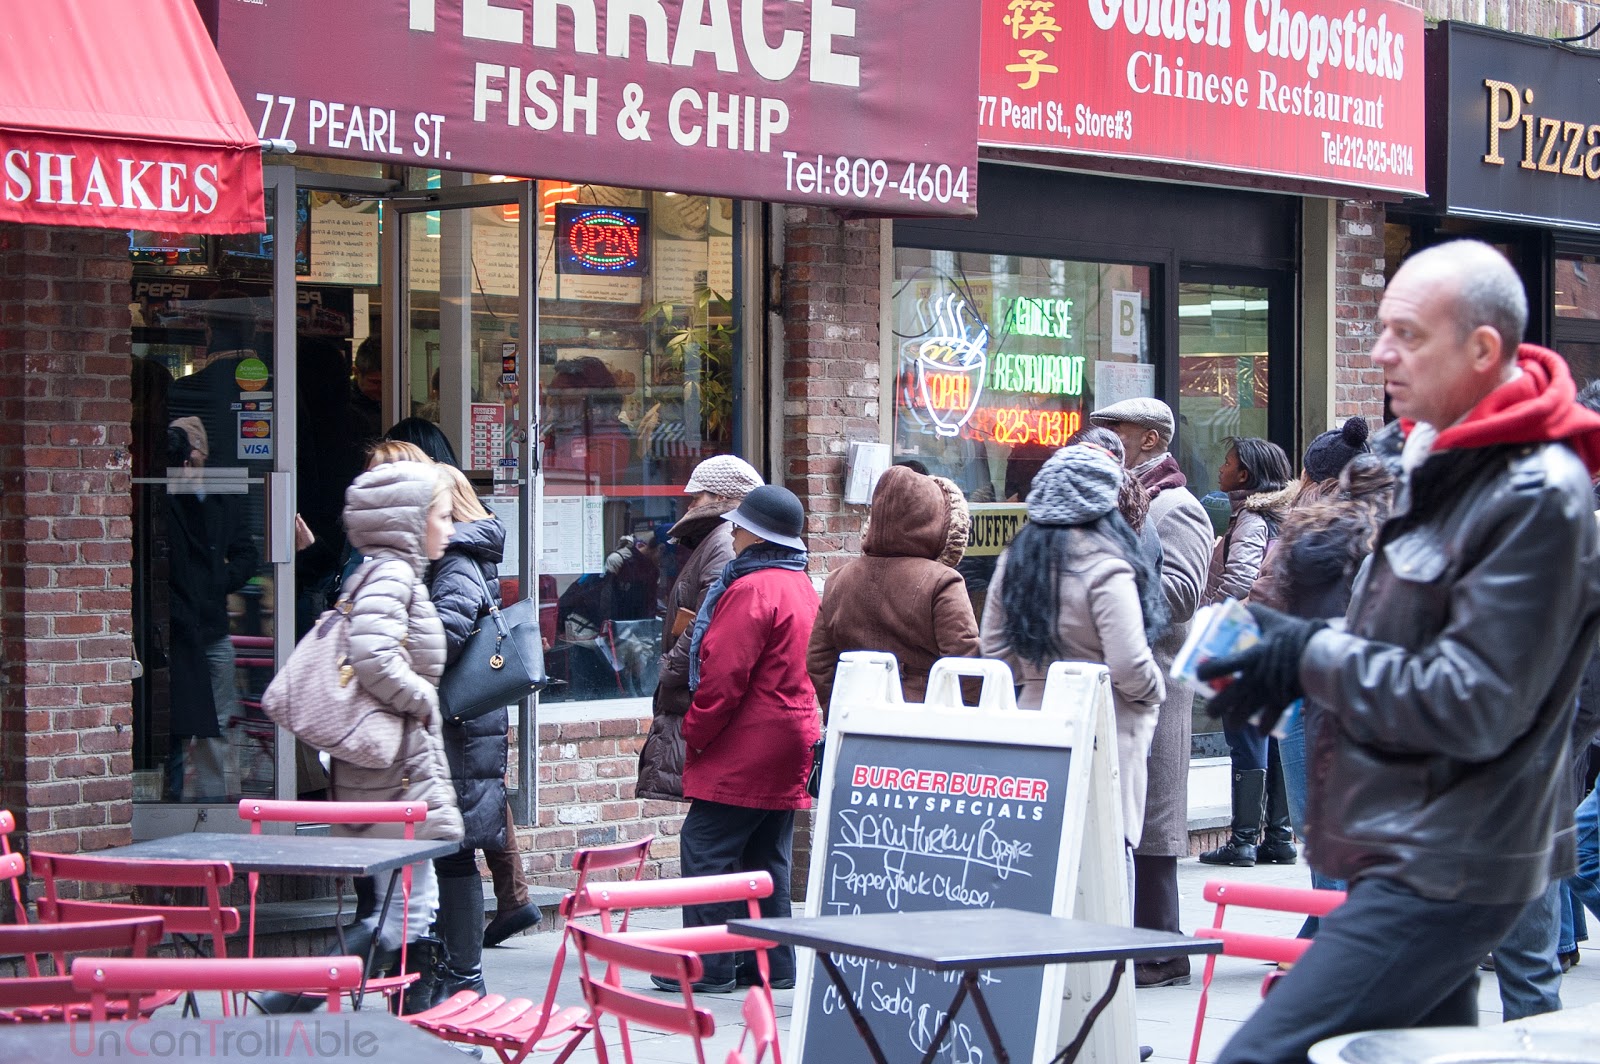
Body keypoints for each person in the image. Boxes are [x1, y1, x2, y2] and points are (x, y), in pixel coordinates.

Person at [1198, 239, 1600, 1061]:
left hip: (1451, 859)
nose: (1381, 352)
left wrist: (1305, 655)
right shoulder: (1438, 463)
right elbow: (1409, 642)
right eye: (1381, 328)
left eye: (1408, 334)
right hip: (1407, 840)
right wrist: (1286, 648)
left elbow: (1475, 698)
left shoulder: (1533, 494)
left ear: (1483, 350)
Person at [659, 485, 820, 994]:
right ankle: (772, 965)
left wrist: (696, 730)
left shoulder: (751, 589)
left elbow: (723, 675)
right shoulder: (799, 584)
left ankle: (711, 966)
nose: (733, 530)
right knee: (764, 853)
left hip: (747, 740)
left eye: (739, 524)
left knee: (705, 845)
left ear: (755, 533)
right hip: (791, 734)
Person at [980, 445, 1167, 849]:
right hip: (1108, 733)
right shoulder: (1108, 566)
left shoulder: (1015, 560)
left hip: (1036, 727)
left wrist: (1035, 674)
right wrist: (1156, 691)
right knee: (1108, 874)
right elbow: (1131, 665)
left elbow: (994, 653)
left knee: (1041, 863)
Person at [1088, 398, 1214, 988]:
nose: (1106, 436)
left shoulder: (1175, 505)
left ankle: (1162, 952)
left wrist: (1110, 588)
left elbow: (1183, 595)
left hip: (1155, 677)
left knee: (1155, 821)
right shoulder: (1112, 498)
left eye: (1116, 429)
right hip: (1115, 676)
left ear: (1148, 438)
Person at [336, 459, 465, 1010]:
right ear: (410, 521)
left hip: (396, 760)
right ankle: (306, 989)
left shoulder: (389, 572)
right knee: (408, 903)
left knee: (409, 900)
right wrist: (422, 698)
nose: (451, 528)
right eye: (441, 516)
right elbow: (373, 656)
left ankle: (411, 1021)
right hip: (397, 764)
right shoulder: (392, 575)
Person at [1250, 451, 1394, 935]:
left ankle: (1327, 923)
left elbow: (1264, 606)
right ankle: (1338, 924)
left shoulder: (1303, 533)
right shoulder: (1399, 544)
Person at [427, 464, 516, 1001]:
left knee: (453, 850)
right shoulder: (461, 558)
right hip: (463, 724)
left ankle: (463, 976)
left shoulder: (456, 561)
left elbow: (446, 637)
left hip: (458, 727)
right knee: (450, 847)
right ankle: (455, 973)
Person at [637, 455, 765, 803]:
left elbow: (707, 618)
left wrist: (671, 669)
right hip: (692, 689)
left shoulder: (725, 541)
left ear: (722, 497)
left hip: (696, 691)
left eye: (697, 496)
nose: (688, 503)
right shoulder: (720, 538)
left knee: (708, 834)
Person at [1199, 436, 1296, 869]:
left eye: (1228, 462)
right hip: (1278, 639)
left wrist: (1210, 616)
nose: (1220, 468)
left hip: (1244, 637)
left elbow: (1239, 580)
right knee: (1274, 734)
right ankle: (1277, 836)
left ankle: (1241, 841)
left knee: (1245, 735)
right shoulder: (1286, 518)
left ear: (1245, 475)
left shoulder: (1252, 520)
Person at [808, 465, 978, 710]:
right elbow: (965, 659)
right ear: (933, 520)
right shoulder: (942, 581)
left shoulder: (838, 580)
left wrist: (839, 710)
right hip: (925, 723)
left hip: (858, 721)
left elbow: (818, 659)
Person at [163, 418, 258, 802]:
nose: (190, 465)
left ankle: (212, 800)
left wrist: (220, 581)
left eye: (194, 455)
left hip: (211, 625)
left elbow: (245, 551)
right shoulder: (163, 498)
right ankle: (169, 797)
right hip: (176, 626)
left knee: (216, 719)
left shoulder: (220, 497)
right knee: (171, 720)